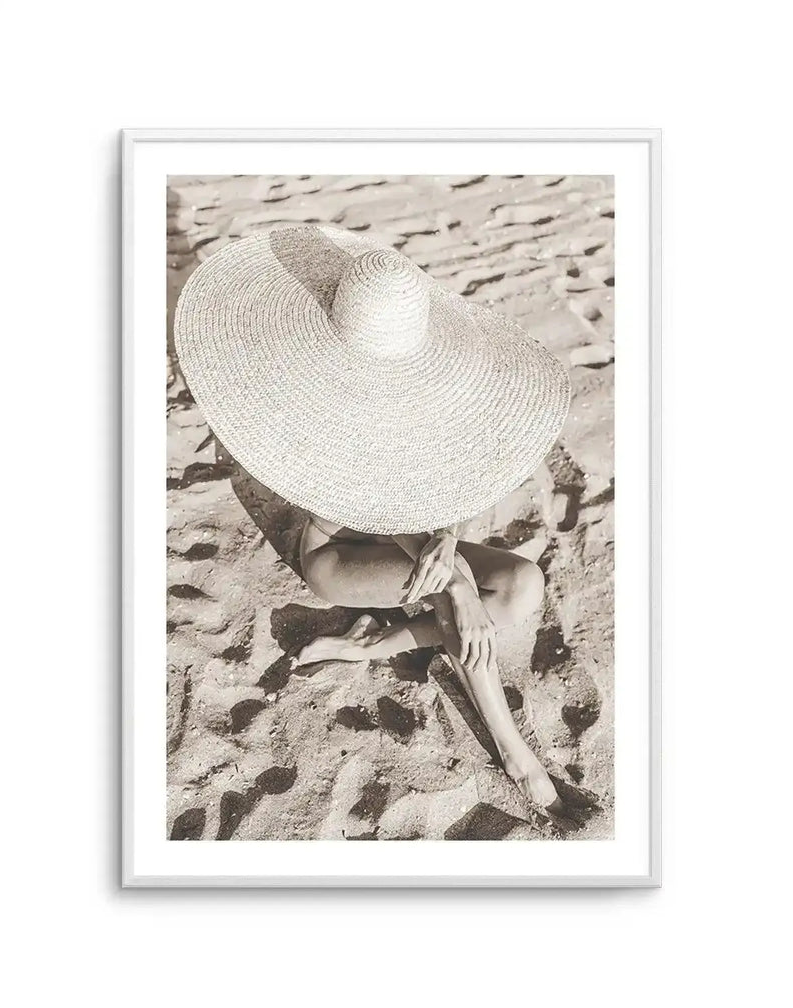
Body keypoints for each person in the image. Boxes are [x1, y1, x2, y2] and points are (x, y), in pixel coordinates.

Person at [175, 224, 571, 811]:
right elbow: (369, 504)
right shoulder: (314, 390)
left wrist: (447, 535)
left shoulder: (428, 386)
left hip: (408, 531)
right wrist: (456, 579)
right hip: (339, 549)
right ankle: (516, 754)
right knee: (448, 590)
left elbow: (443, 483)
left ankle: (371, 647)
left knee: (522, 587)